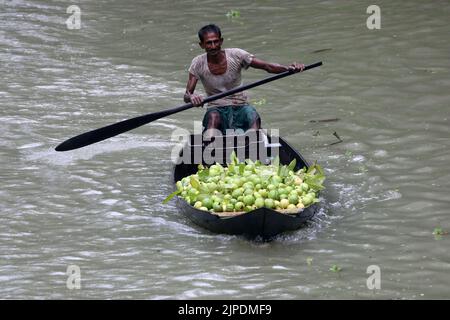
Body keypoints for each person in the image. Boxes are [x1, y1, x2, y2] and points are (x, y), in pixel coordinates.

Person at [184, 24, 305, 138]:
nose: (213, 46)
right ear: (202, 45)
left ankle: (251, 146)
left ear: (221, 41)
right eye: (209, 43)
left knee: (253, 116)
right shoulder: (197, 63)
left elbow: (267, 66)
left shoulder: (237, 55)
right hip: (216, 108)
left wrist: (288, 69)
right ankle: (210, 148)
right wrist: (192, 97)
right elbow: (187, 95)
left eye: (216, 41)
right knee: (213, 118)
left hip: (240, 105)